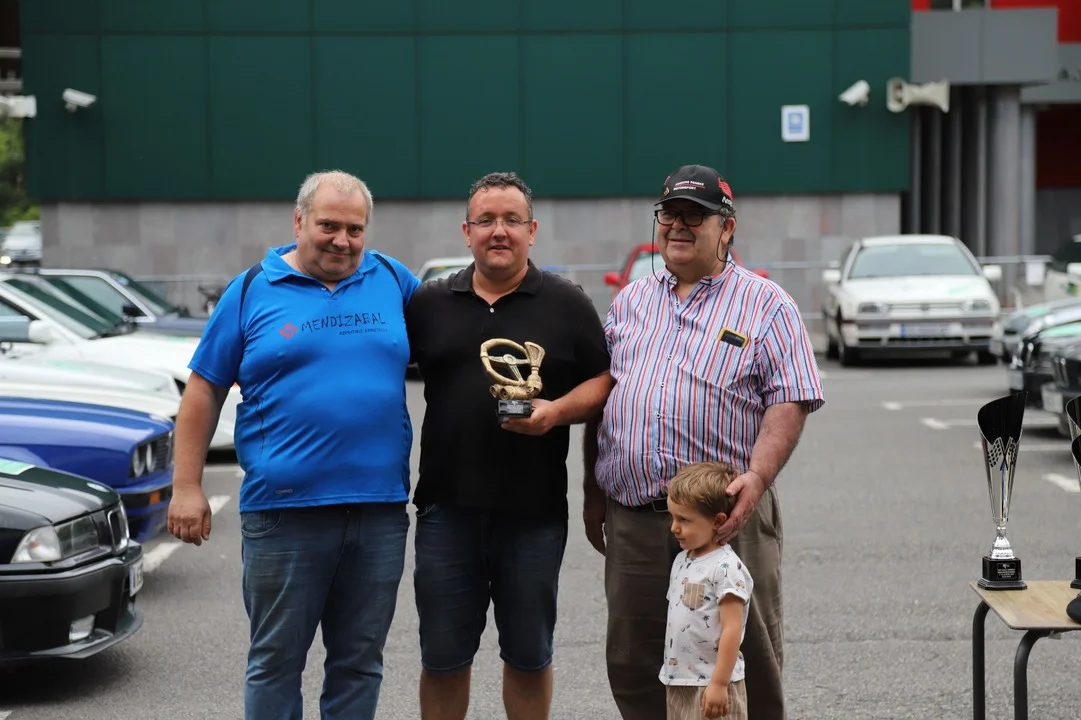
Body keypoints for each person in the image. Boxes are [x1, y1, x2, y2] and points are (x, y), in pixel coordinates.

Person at [166, 169, 419, 720]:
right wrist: (186, 485)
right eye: (329, 226)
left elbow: (452, 345)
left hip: (378, 511)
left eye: (355, 229)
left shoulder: (392, 280)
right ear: (299, 220)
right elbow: (204, 389)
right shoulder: (252, 289)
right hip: (284, 513)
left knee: (360, 663)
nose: (342, 241)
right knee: (276, 662)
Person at [583, 164, 825, 720]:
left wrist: (758, 477)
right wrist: (593, 493)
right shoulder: (630, 302)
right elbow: (605, 398)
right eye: (670, 213)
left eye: (696, 215)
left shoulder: (768, 305)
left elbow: (790, 400)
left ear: (727, 227)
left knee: (744, 661)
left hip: (726, 518)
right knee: (636, 661)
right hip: (636, 519)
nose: (679, 225)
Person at [405, 171, 613, 720]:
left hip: (533, 516)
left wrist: (556, 413)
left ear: (532, 231)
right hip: (446, 512)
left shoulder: (567, 303)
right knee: (443, 660)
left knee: (528, 656)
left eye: (512, 220)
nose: (499, 231)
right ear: (466, 231)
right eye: (486, 220)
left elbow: (604, 380)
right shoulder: (429, 303)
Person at [662, 462, 753, 720]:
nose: (674, 527)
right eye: (672, 517)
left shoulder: (725, 567)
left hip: (712, 683)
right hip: (680, 679)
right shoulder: (682, 560)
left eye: (684, 520)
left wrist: (720, 684)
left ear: (718, 521)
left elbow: (732, 629)